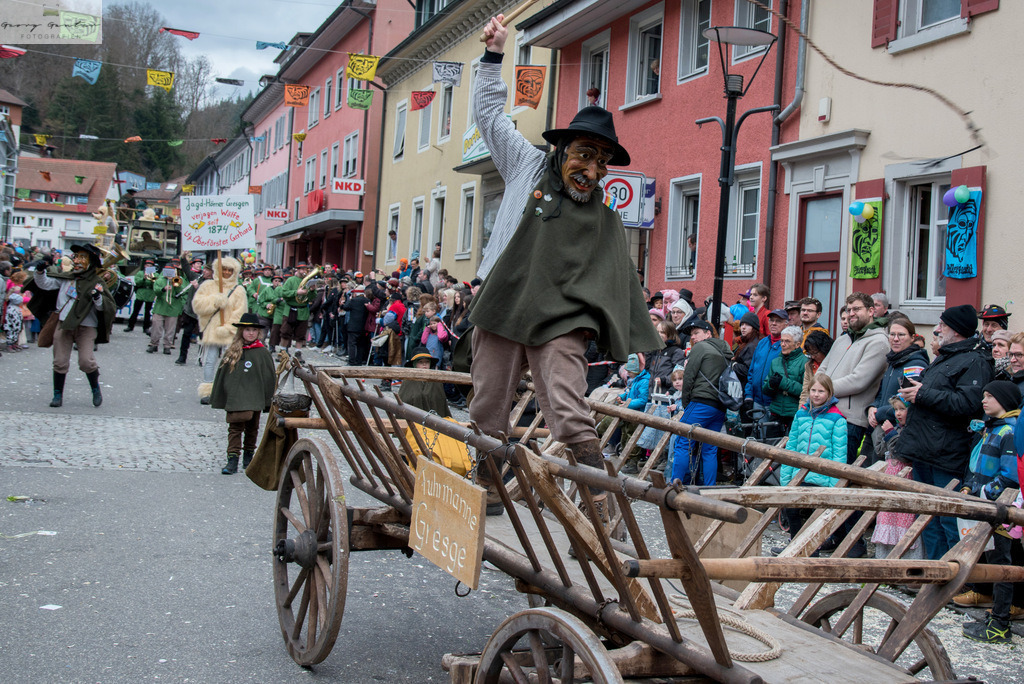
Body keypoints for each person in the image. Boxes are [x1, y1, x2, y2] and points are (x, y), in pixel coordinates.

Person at [469, 15, 662, 516]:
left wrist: (620, 332)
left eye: (602, 162)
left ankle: (599, 499)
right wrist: (494, 55)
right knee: (488, 404)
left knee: (570, 411)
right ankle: (488, 476)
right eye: (584, 155)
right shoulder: (526, 166)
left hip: (562, 317)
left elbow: (618, 280)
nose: (592, 169)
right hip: (505, 300)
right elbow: (491, 115)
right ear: (561, 150)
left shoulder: (604, 216)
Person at [895, 304, 994, 559]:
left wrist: (922, 393)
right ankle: (933, 575)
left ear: (957, 331)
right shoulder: (946, 356)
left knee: (948, 518)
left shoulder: (976, 360)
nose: (937, 329)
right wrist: (916, 390)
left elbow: (967, 404)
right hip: (924, 449)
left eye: (943, 326)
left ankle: (954, 580)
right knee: (926, 517)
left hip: (946, 453)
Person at [955, 381, 1023, 643]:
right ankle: (995, 613)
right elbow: (980, 466)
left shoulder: (1009, 431)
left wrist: (985, 493)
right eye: (983, 395)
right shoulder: (991, 428)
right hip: (987, 502)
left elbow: (1009, 477)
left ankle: (1000, 623)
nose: (984, 400)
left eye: (990, 396)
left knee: (1001, 564)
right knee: (994, 559)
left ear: (1004, 400)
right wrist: (971, 486)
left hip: (1001, 507)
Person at [32, 244, 116, 407]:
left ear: (91, 262)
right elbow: (46, 284)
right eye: (76, 256)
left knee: (86, 361)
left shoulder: (96, 281)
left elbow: (106, 307)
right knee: (60, 361)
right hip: (64, 324)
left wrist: (98, 298)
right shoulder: (68, 277)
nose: (77, 260)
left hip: (86, 326)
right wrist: (40, 272)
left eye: (82, 257)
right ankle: (58, 395)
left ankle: (95, 389)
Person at [774, 373, 847, 554]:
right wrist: (786, 475)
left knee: (813, 515)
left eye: (821, 391)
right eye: (813, 390)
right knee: (791, 509)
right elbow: (792, 445)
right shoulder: (801, 414)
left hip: (821, 476)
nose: (816, 394)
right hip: (798, 473)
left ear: (829, 393)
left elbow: (839, 454)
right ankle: (797, 544)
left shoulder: (837, 419)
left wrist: (834, 483)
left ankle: (810, 549)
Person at [816, 292, 890, 464]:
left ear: (871, 311)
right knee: (817, 468)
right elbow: (823, 368)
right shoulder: (842, 340)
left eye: (857, 309)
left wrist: (821, 391)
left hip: (849, 420)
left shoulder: (879, 342)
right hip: (824, 411)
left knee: (838, 471)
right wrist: (818, 390)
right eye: (849, 310)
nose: (851, 314)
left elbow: (858, 380)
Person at [210, 313, 276, 474]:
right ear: (241, 331)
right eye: (247, 330)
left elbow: (268, 378)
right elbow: (223, 376)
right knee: (235, 427)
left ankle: (248, 458)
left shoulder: (262, 353)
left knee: (252, 428)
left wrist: (267, 399)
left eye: (254, 330)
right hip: (237, 398)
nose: (251, 333)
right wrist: (226, 395)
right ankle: (232, 459)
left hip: (255, 397)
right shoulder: (232, 352)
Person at [669, 319, 731, 485]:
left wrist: (686, 403)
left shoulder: (701, 348)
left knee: (683, 441)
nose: (693, 337)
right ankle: (709, 488)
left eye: (696, 333)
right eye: (691, 335)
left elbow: (688, 377)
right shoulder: (724, 351)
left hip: (701, 401)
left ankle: (676, 484)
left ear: (708, 333)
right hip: (719, 406)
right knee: (710, 449)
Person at [866, 316, 929, 459]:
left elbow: (906, 401)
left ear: (912, 338)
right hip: (881, 428)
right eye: (892, 334)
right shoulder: (893, 361)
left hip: (896, 433)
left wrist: (879, 413)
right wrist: (872, 407)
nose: (895, 339)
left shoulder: (913, 365)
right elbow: (882, 394)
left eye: (901, 335)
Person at [871, 396, 923, 560]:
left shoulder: (913, 430)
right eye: (896, 410)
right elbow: (880, 449)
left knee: (905, 520)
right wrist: (881, 426)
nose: (898, 413)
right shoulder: (897, 428)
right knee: (888, 516)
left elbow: (902, 453)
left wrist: (890, 433)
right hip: (891, 480)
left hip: (906, 479)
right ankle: (885, 559)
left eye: (902, 409)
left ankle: (907, 560)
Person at [192, 257, 249, 405]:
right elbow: (197, 306)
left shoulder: (239, 289)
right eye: (224, 269)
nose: (227, 272)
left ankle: (227, 390)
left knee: (230, 362)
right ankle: (208, 390)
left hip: (229, 332)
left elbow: (240, 312)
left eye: (230, 270)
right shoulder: (208, 285)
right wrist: (215, 301)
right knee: (210, 360)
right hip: (212, 330)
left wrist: (229, 327)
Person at [764, 326, 807, 435]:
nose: (782, 344)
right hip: (775, 413)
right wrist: (771, 385)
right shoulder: (776, 362)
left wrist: (782, 383)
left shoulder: (805, 362)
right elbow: (765, 389)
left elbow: (805, 390)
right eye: (781, 341)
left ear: (797, 344)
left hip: (793, 415)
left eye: (787, 341)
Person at [743, 308, 786, 416]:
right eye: (771, 320)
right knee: (757, 432)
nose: (774, 323)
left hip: (775, 402)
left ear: (786, 324)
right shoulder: (762, 343)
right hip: (757, 401)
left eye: (778, 321)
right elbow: (752, 371)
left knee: (772, 433)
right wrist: (749, 394)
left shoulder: (787, 345)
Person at [149, 258, 191, 355]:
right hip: (160, 307)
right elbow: (156, 290)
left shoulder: (179, 279)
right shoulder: (160, 280)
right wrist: (163, 289)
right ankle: (153, 344)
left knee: (170, 329)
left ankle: (167, 346)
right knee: (156, 327)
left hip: (173, 308)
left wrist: (176, 285)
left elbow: (184, 291)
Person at [398, 346, 451, 417]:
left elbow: (440, 403)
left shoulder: (436, 381)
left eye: (427, 362)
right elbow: (404, 401)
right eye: (420, 362)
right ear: (414, 364)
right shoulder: (408, 381)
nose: (424, 364)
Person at [278, 262, 313, 350]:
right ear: (297, 270)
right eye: (301, 269)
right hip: (290, 309)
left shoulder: (308, 281)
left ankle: (298, 353)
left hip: (303, 310)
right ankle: (282, 352)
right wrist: (296, 292)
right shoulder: (290, 280)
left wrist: (312, 291)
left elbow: (312, 298)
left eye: (305, 269)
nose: (303, 271)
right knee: (285, 333)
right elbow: (284, 293)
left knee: (300, 334)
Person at [125, 259, 157, 334]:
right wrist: (144, 278)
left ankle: (146, 328)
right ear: (145, 266)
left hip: (150, 294)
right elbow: (137, 282)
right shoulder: (140, 273)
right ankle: (130, 326)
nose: (148, 267)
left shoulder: (155, 274)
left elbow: (156, 283)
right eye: (147, 265)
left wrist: (152, 279)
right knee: (136, 310)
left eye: (150, 266)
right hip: (141, 293)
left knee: (147, 312)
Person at [731, 311, 760, 388]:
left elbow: (747, 370)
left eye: (747, 325)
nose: (743, 327)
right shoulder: (746, 342)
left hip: (745, 387)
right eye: (742, 324)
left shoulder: (752, 346)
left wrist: (734, 364)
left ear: (754, 328)